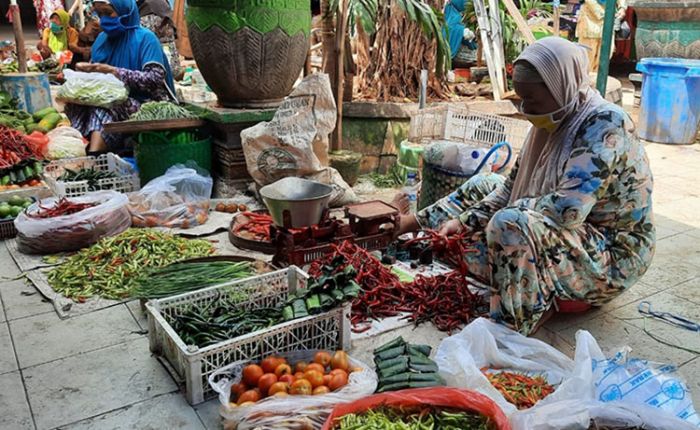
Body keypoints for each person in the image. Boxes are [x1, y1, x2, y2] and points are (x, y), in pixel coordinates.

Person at [395, 37, 655, 335]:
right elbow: (509, 189)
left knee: (509, 224)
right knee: (485, 185)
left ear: (561, 87)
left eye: (532, 100)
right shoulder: (549, 124)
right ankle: (411, 224)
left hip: (611, 253)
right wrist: (462, 222)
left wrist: (496, 220)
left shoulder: (605, 125)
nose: (525, 108)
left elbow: (568, 211)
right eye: (521, 99)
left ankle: (512, 327)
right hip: (570, 235)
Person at [65, 0, 175, 155]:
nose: (104, 19)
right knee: (76, 102)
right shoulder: (102, 40)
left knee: (106, 104)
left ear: (125, 10)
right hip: (116, 98)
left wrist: (114, 72)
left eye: (108, 13)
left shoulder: (146, 38)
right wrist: (86, 73)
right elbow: (98, 75)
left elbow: (154, 78)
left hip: (147, 104)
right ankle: (79, 147)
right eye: (100, 14)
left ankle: (95, 155)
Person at [576, 0, 627, 73]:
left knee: (605, 55)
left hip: (609, 20)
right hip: (590, 19)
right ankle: (586, 80)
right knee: (588, 56)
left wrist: (622, 8)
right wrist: (606, 13)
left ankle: (597, 80)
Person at [137, 0, 183, 80]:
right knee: (166, 45)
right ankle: (172, 71)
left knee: (146, 46)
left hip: (148, 13)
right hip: (164, 14)